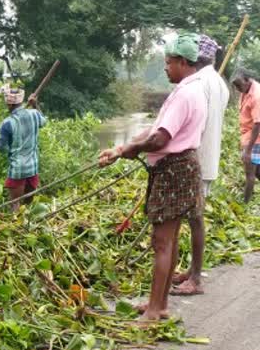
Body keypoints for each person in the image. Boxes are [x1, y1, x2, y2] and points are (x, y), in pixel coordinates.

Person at [99, 32, 206, 321]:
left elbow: (159, 139)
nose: (165, 67)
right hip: (178, 169)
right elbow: (155, 129)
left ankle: (157, 309)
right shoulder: (187, 89)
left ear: (183, 62)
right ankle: (157, 304)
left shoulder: (186, 93)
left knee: (162, 241)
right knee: (167, 240)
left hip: (174, 170)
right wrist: (121, 149)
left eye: (169, 62)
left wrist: (134, 149)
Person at [171, 34, 229, 296]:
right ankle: (191, 271)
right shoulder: (220, 83)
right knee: (193, 216)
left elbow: (195, 123)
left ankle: (195, 278)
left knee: (193, 218)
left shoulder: (200, 82)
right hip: (207, 159)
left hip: (195, 159)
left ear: (200, 56)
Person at [0, 86, 46, 211]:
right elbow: (44, 122)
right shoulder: (34, 114)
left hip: (17, 170)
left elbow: (2, 147)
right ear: (21, 101)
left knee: (15, 205)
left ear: (8, 104)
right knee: (28, 206)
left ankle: (14, 228)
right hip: (32, 167)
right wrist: (35, 105)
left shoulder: (7, 123)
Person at [232, 69, 260, 203]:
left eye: (239, 85)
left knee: (250, 173)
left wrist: (248, 150)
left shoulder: (256, 95)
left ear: (247, 80)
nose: (237, 89)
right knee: (257, 171)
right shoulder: (246, 90)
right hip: (248, 137)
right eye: (236, 86)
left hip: (255, 140)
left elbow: (258, 123)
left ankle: (245, 205)